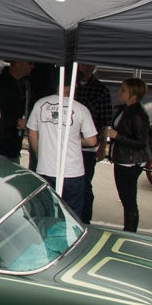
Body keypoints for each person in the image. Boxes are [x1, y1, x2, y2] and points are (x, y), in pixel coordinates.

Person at [27, 80, 100, 217]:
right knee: (71, 214)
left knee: (46, 213)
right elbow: (92, 141)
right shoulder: (80, 109)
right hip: (72, 171)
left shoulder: (40, 104)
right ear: (74, 87)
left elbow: (32, 133)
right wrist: (76, 139)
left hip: (46, 168)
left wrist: (39, 155)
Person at [106, 77, 152, 231]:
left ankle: (130, 232)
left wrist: (116, 136)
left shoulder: (138, 115)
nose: (120, 92)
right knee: (126, 198)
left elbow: (141, 142)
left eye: (123, 90)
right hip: (122, 159)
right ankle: (129, 230)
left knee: (128, 199)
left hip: (129, 162)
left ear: (133, 96)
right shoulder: (126, 109)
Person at [71, 64, 114, 217]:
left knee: (85, 184)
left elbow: (105, 122)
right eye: (84, 63)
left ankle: (85, 218)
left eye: (91, 64)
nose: (87, 67)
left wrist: (103, 147)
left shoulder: (101, 90)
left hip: (89, 147)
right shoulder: (69, 85)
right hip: (68, 145)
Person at [0, 59, 33, 161]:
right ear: (17, 63)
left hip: (14, 146)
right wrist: (15, 122)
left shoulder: (22, 84)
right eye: (29, 63)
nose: (32, 67)